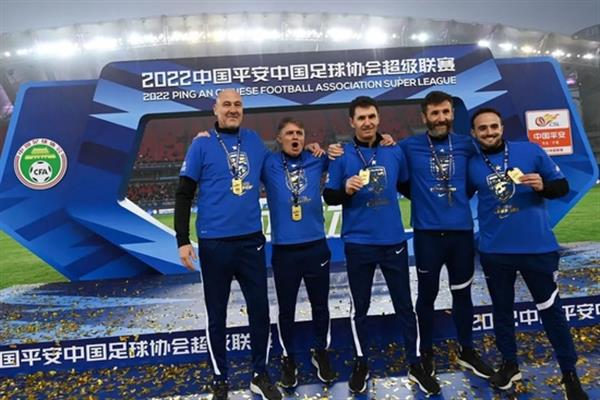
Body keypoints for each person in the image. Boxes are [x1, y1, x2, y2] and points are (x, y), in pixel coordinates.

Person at [323, 96, 440, 395]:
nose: (367, 122)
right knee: (359, 309)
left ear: (378, 119)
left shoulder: (393, 150)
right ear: (352, 122)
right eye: (361, 118)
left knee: (405, 306)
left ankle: (415, 363)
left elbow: (406, 186)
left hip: (393, 242)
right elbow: (330, 196)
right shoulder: (341, 155)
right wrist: (345, 190)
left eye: (371, 117)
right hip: (358, 243)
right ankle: (361, 362)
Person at [468, 107, 588, 399]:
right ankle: (510, 365)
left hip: (537, 249)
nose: (489, 132)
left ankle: (569, 373)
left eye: (493, 126)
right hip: (495, 252)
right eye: (482, 128)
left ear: (501, 127)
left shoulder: (530, 151)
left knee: (551, 311)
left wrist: (543, 186)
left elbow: (561, 186)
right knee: (502, 311)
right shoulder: (472, 164)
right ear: (474, 133)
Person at [175, 89, 282, 400]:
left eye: (237, 104)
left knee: (260, 311)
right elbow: (183, 193)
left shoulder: (253, 141)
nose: (233, 109)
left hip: (251, 241)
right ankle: (220, 379)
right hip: (214, 243)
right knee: (217, 315)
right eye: (227, 105)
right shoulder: (202, 144)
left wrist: (312, 151)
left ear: (242, 109)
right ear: (215, 109)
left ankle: (259, 375)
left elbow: (280, 165)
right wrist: (182, 240)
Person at [398, 91, 493, 379]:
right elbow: (399, 179)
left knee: (462, 293)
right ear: (424, 116)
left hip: (461, 234)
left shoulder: (467, 145)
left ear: (452, 114)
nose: (441, 118)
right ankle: (426, 351)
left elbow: (477, 177)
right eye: (435, 113)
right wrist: (422, 198)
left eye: (446, 112)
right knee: (426, 295)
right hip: (427, 236)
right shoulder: (408, 146)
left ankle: (467, 350)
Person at [261, 117, 336, 388]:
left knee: (321, 305)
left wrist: (384, 141)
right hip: (285, 251)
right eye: (290, 133)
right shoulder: (267, 163)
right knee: (286, 309)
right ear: (279, 138)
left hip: (316, 246)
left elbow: (346, 156)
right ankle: (288, 357)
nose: (295, 137)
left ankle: (321, 352)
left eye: (299, 133)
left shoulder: (317, 158)